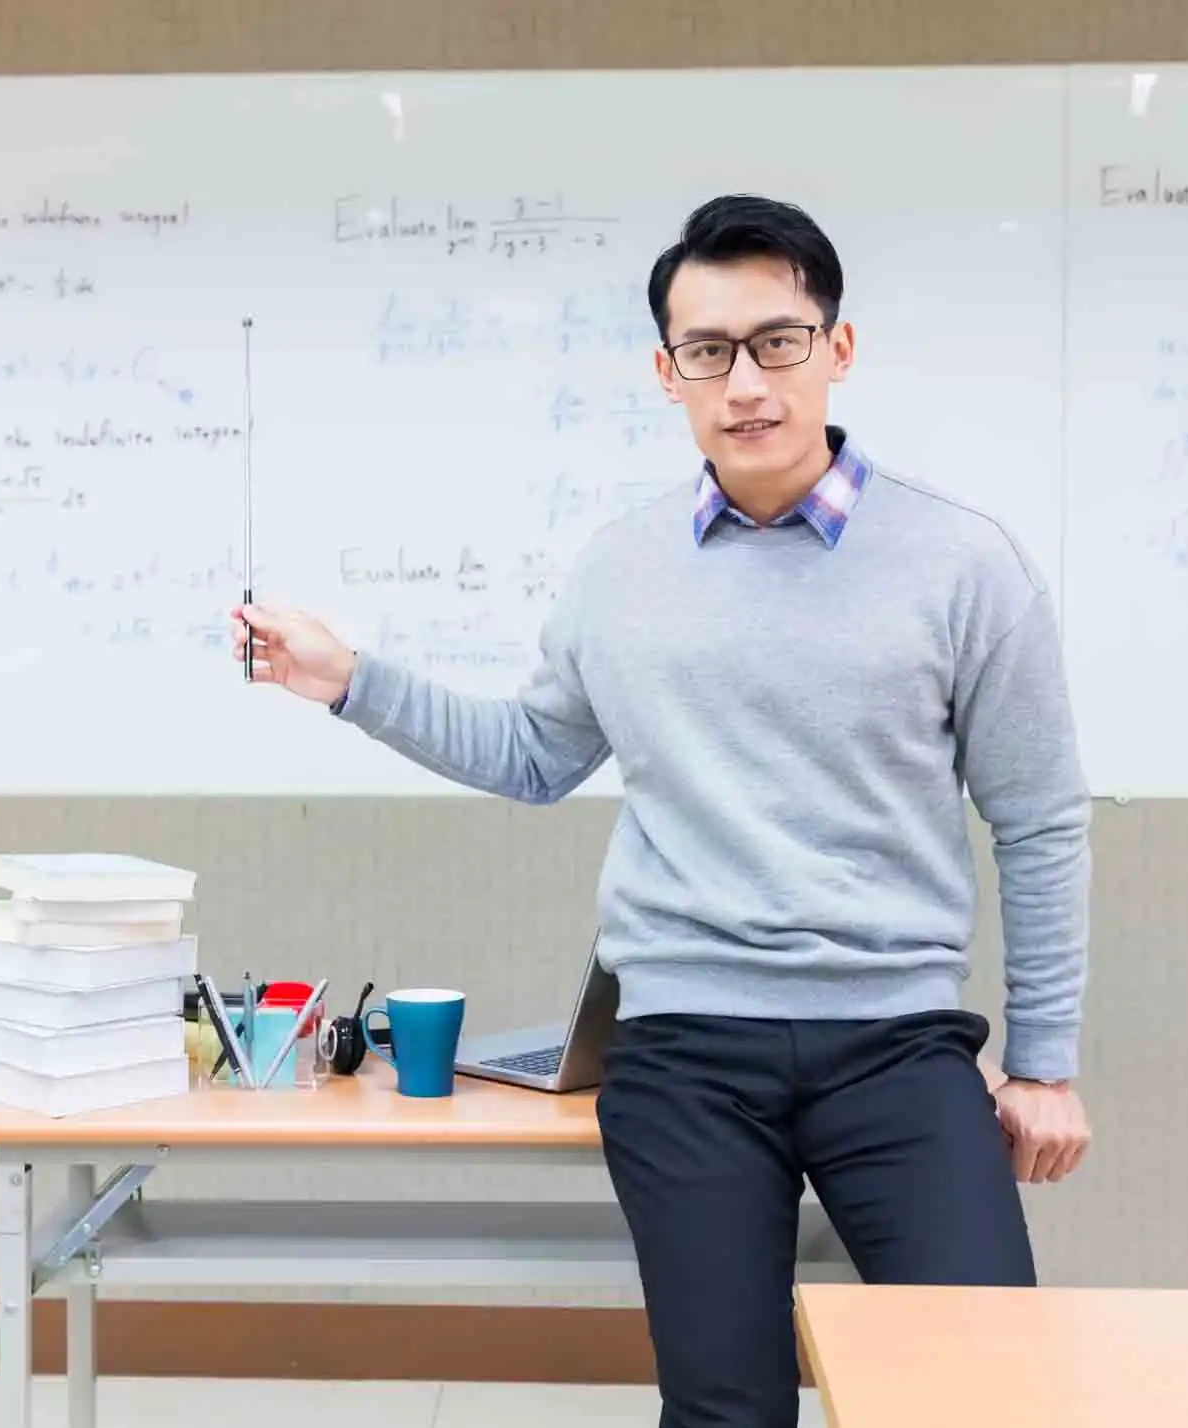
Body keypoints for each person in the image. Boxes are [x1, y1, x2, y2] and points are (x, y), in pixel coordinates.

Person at [231, 193, 1093, 1428]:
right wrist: (350, 684)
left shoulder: (963, 562)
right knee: (723, 1411)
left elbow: (1039, 818)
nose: (744, 381)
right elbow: (533, 755)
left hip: (896, 1044)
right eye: (708, 352)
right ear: (667, 372)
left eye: (776, 341)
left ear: (835, 348)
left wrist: (1047, 1063)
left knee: (978, 1390)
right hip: (686, 1048)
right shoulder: (619, 568)